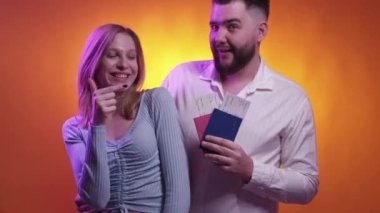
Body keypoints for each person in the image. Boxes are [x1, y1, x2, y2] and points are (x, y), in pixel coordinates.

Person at [162, 0, 319, 212]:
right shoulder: (180, 79)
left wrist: (251, 171)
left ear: (260, 32)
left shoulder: (292, 99)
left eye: (232, 26)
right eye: (214, 27)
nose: (218, 38)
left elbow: (307, 185)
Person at [62, 24, 190, 213]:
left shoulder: (155, 101)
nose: (124, 64)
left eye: (131, 57)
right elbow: (96, 200)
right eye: (113, 55)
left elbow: (178, 189)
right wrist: (97, 124)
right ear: (94, 62)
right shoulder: (73, 128)